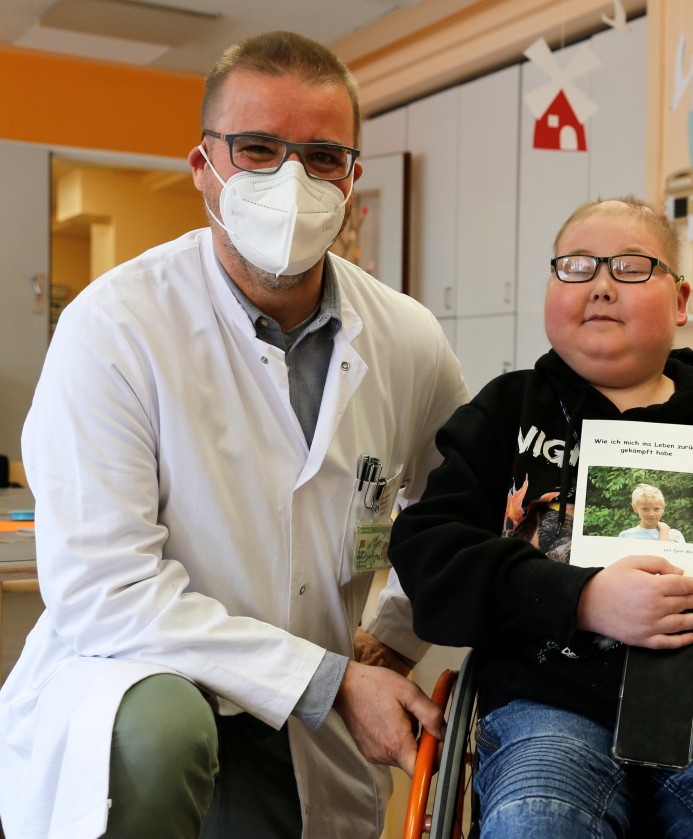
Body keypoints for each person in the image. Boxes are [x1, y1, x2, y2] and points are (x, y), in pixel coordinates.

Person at [0, 31, 469, 839]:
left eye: (322, 156)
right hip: (150, 690)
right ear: (202, 169)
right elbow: (104, 591)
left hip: (320, 725)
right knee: (162, 733)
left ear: (354, 179)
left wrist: (391, 637)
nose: (291, 180)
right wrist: (326, 679)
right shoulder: (115, 327)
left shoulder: (407, 337)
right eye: (256, 149)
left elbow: (458, 499)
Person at [390, 196, 693, 838]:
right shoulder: (502, 415)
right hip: (546, 708)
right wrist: (579, 598)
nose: (601, 286)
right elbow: (429, 554)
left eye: (632, 268)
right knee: (535, 822)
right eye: (576, 267)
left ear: (681, 301)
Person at [618, 482, 684, 541]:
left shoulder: (675, 536)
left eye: (656, 509)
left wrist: (664, 532)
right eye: (645, 509)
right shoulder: (626, 536)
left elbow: (667, 554)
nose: (651, 514)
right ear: (635, 508)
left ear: (663, 508)